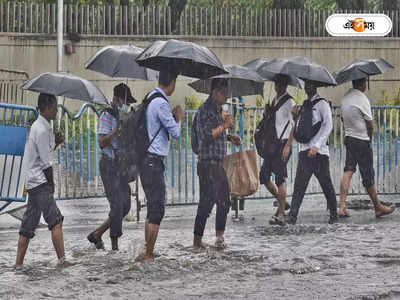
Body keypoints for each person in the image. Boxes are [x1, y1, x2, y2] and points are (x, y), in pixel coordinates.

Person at [16, 93, 67, 267]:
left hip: (33, 182)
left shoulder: (39, 126)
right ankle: (62, 261)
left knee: (28, 226)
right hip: (41, 183)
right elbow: (46, 164)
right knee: (55, 221)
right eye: (54, 107)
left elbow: (42, 152)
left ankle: (18, 263)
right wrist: (51, 186)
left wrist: (56, 143)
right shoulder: (43, 129)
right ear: (46, 107)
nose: (56, 111)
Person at [139, 70, 184, 262]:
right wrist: (179, 117)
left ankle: (147, 250)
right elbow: (175, 133)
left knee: (152, 208)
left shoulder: (150, 97)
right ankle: (149, 255)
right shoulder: (161, 102)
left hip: (144, 161)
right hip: (154, 162)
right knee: (157, 210)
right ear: (172, 82)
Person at [192, 78, 242, 250]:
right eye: (223, 92)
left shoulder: (217, 110)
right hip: (208, 164)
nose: (226, 95)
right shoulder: (205, 111)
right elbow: (205, 137)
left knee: (219, 201)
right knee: (211, 202)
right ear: (214, 92)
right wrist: (225, 125)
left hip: (217, 163)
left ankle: (213, 239)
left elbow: (215, 134)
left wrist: (229, 136)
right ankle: (200, 241)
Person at [87, 83, 136, 251]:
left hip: (120, 166)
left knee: (126, 205)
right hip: (108, 165)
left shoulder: (124, 115)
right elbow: (102, 142)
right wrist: (117, 128)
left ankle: (97, 234)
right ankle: (115, 247)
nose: (126, 105)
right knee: (116, 205)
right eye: (124, 101)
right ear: (117, 99)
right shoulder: (107, 115)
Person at [339, 78, 395, 218]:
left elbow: (342, 118)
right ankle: (378, 207)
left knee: (348, 170)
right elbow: (370, 124)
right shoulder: (362, 99)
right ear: (362, 83)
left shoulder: (345, 97)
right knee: (368, 175)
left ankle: (342, 206)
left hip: (350, 139)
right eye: (365, 82)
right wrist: (369, 138)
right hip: (361, 141)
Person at [286, 80, 338, 225]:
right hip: (304, 150)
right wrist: (293, 116)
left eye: (310, 85)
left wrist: (317, 145)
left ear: (315, 86)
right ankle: (292, 216)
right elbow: (297, 129)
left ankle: (334, 214)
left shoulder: (322, 104)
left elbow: (328, 125)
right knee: (299, 186)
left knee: (326, 183)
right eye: (306, 85)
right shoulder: (303, 106)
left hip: (319, 152)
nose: (307, 87)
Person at [260, 75, 296, 226]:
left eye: (281, 84)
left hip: (282, 144)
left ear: (286, 85)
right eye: (276, 83)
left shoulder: (290, 102)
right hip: (271, 144)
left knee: (280, 178)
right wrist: (267, 111)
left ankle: (281, 213)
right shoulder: (274, 100)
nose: (278, 86)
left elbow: (294, 125)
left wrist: (288, 145)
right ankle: (282, 202)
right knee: (264, 176)